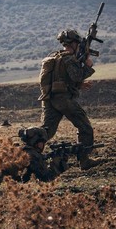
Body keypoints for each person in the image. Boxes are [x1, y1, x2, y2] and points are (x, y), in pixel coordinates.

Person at [39, 29, 102, 170]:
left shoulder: (56, 57)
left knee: (46, 131)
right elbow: (76, 75)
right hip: (64, 100)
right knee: (85, 127)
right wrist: (88, 66)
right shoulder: (68, 58)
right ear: (73, 43)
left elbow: (62, 78)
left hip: (50, 99)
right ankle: (84, 161)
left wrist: (79, 85)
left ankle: (27, 152)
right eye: (77, 43)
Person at [0, 127, 69, 184]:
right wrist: (57, 164)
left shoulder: (17, 148)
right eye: (41, 142)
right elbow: (46, 178)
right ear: (35, 141)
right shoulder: (31, 154)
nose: (43, 145)